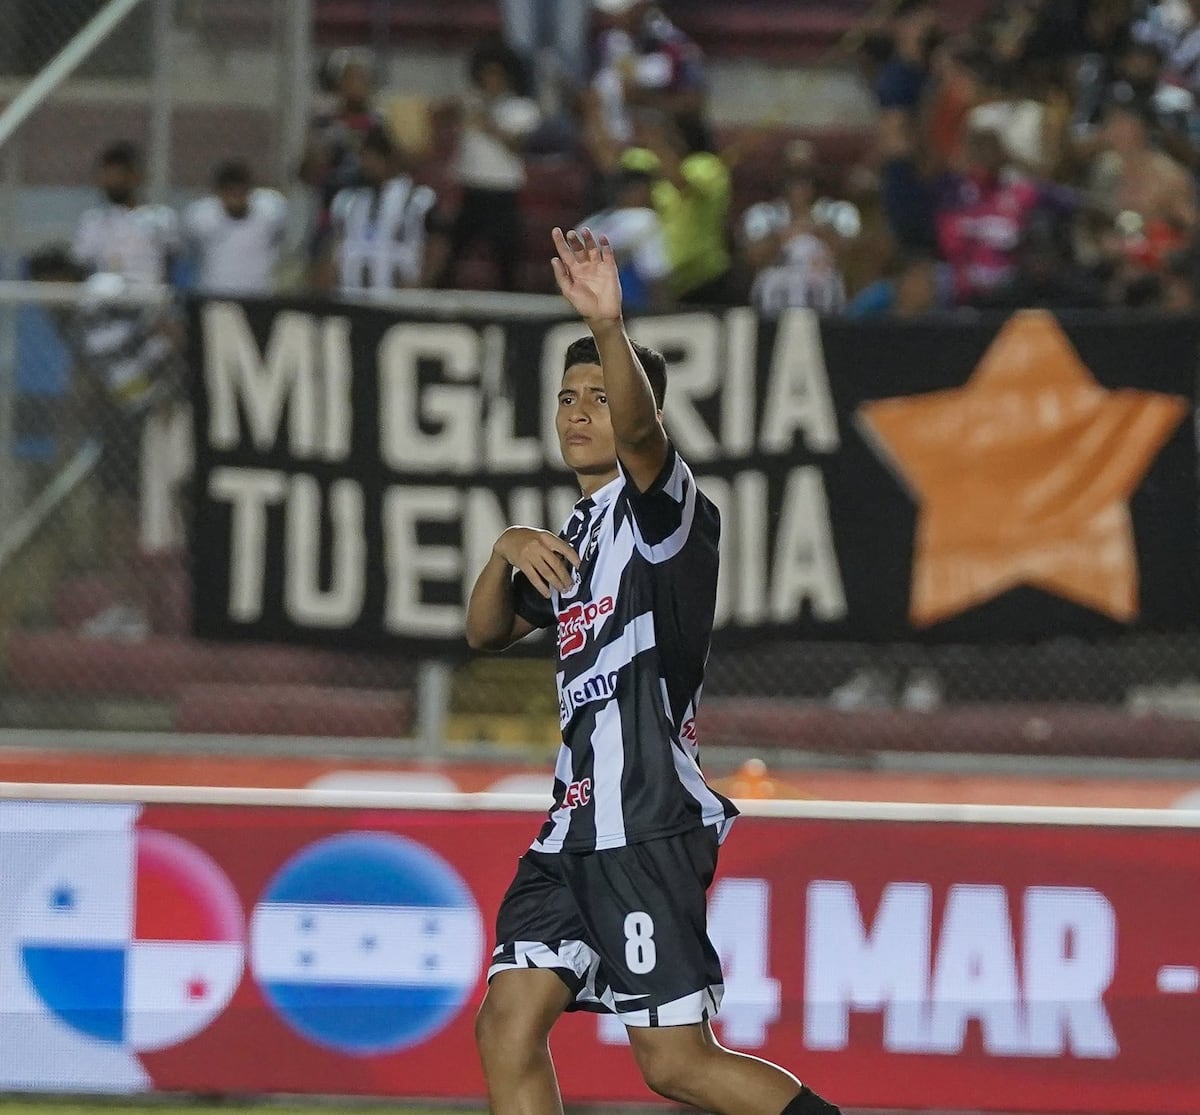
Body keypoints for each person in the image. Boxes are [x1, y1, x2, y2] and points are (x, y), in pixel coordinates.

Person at [466, 226, 840, 1115]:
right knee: (506, 1024)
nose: (581, 410)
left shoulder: (663, 515)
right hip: (571, 830)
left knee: (675, 1063)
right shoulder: (573, 538)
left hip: (642, 824)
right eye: (567, 397)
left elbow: (641, 433)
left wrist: (606, 325)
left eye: (597, 394)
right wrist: (505, 550)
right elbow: (485, 633)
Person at [436, 39, 541, 292]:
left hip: (502, 192)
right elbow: (437, 115)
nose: (490, 80)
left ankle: (512, 308)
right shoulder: (470, 103)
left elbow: (517, 146)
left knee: (507, 258)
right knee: (452, 252)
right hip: (471, 189)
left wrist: (487, 122)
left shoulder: (522, 109)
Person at [322, 125, 438, 295]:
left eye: (372, 158)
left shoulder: (417, 199)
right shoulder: (348, 201)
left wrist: (422, 283)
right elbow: (337, 247)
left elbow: (435, 246)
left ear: (388, 158)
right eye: (363, 157)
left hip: (399, 295)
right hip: (352, 294)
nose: (366, 164)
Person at [72, 141, 180, 286]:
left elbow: (171, 260)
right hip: (106, 297)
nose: (108, 182)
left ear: (134, 176)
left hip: (146, 296)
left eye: (115, 176)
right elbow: (82, 262)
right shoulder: (93, 221)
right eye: (105, 176)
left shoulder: (161, 218)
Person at [183, 160, 288, 296]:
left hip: (260, 296)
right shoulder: (200, 218)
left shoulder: (270, 211)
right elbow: (191, 252)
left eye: (240, 193)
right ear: (219, 193)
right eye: (230, 192)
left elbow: (279, 238)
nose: (235, 199)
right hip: (216, 295)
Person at [580, 163, 672, 312]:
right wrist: (665, 313)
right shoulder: (644, 219)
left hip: (588, 308)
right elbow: (655, 274)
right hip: (631, 306)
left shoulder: (589, 224)